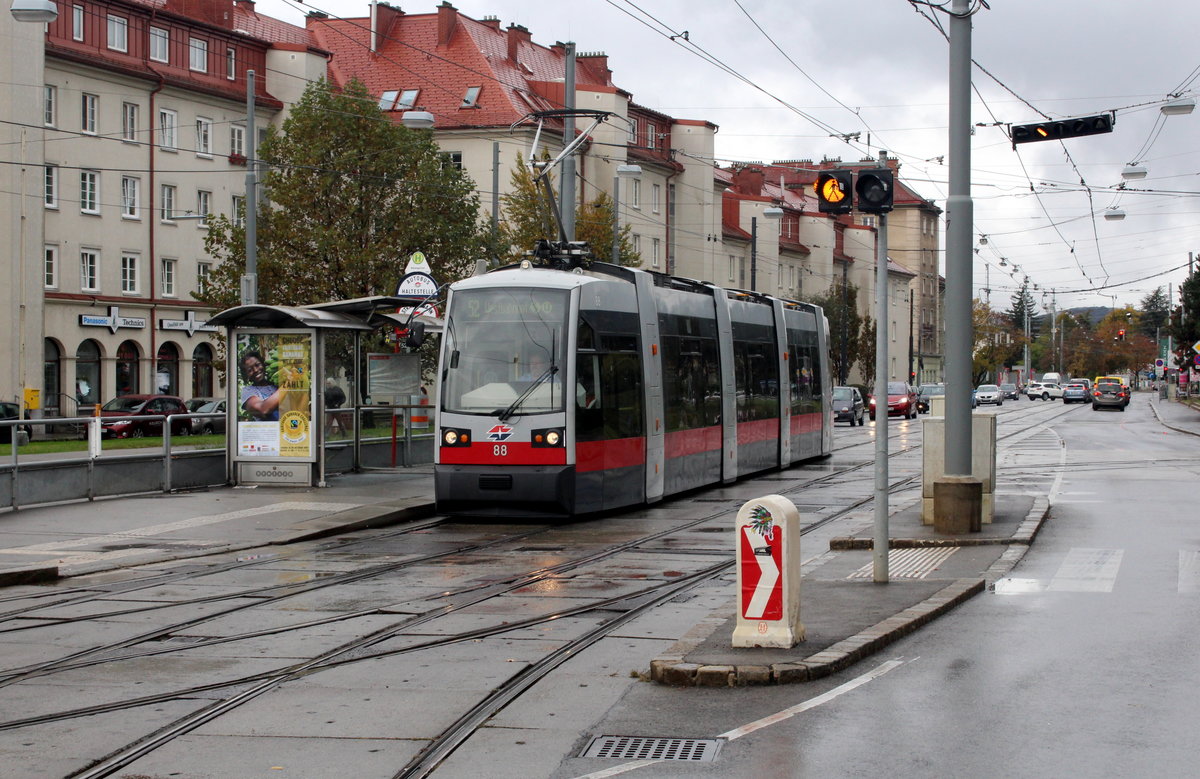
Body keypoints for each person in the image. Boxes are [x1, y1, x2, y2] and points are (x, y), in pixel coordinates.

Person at [239, 350, 284, 421]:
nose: (255, 370)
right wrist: (289, 384)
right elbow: (263, 409)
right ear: (246, 375)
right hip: (269, 431)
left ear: (263, 364)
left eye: (257, 365)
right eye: (250, 370)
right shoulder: (248, 391)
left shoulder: (277, 384)